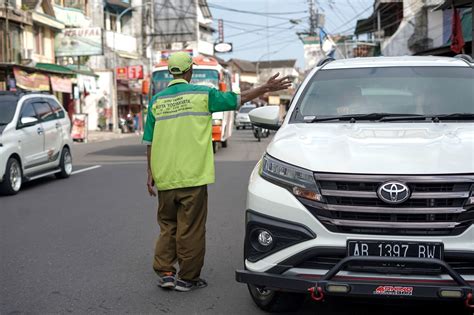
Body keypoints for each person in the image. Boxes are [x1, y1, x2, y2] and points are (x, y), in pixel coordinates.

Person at [142, 52, 291, 292]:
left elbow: (149, 140)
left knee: (168, 225)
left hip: (165, 176)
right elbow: (238, 99)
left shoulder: (157, 101)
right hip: (192, 176)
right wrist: (265, 87)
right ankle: (187, 278)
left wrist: (150, 173)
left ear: (171, 72)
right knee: (190, 227)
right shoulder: (203, 94)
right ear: (189, 71)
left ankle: (166, 273)